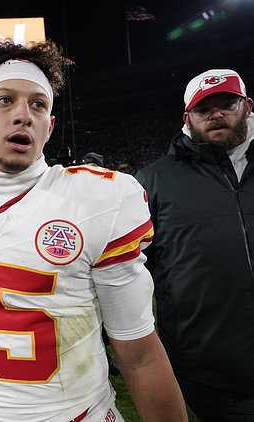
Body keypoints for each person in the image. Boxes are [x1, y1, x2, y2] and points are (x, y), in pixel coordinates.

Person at [0, 39, 187, 421]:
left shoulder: (98, 199)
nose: (24, 114)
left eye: (38, 104)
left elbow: (138, 355)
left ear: (50, 125)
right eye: (5, 100)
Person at [135, 69, 254, 421]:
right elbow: (128, 274)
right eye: (204, 109)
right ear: (188, 119)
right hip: (210, 376)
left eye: (226, 104)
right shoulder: (153, 181)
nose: (216, 115)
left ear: (247, 106)